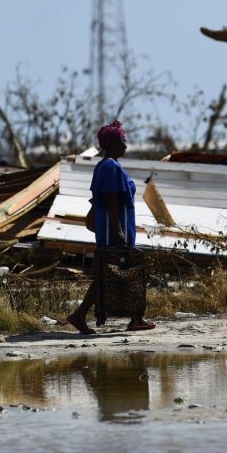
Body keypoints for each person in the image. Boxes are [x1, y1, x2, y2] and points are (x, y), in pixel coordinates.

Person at [66, 120, 155, 335]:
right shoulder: (110, 167)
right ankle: (132, 317)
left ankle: (131, 317)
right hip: (112, 230)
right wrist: (119, 231)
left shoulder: (108, 166)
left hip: (114, 228)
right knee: (113, 271)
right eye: (123, 141)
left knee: (112, 272)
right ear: (112, 143)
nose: (126, 145)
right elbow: (111, 200)